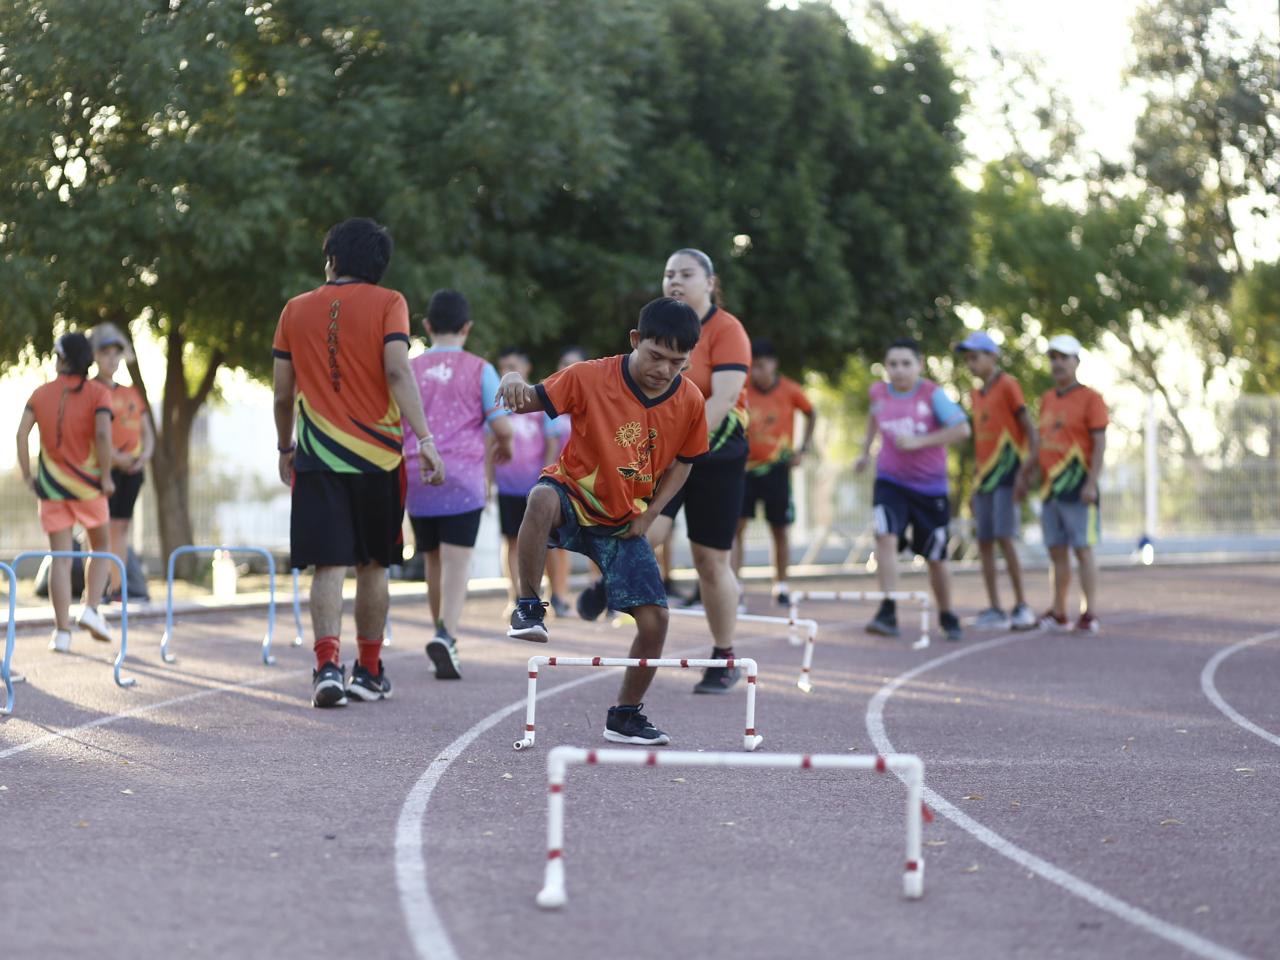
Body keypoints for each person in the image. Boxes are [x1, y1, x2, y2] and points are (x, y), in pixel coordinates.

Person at [500, 298, 708, 744]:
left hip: (623, 520)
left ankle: (625, 715)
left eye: (677, 362)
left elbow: (685, 463)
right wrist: (513, 378)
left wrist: (651, 514)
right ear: (635, 341)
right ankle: (529, 607)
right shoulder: (588, 376)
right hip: (572, 495)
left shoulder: (690, 401)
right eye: (655, 356)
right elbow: (526, 400)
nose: (663, 369)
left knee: (655, 623)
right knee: (539, 499)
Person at [273, 217, 444, 708]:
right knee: (374, 565)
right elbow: (396, 369)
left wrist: (285, 447)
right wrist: (426, 438)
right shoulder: (391, 303)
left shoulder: (294, 310)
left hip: (318, 457)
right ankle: (369, 671)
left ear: (331, 259)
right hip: (380, 459)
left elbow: (283, 394)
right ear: (379, 265)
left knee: (327, 565)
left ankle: (327, 666)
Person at [579, 248, 750, 695]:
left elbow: (723, 399)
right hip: (665, 453)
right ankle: (608, 581)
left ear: (710, 283)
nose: (675, 281)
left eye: (687, 274)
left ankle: (724, 655)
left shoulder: (727, 330)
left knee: (709, 560)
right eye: (669, 274)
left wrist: (680, 445)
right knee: (644, 531)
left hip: (717, 455)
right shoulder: (658, 328)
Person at [404, 289, 513, 679]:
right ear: (467, 327)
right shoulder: (480, 369)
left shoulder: (409, 369)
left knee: (432, 558)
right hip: (463, 475)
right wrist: (506, 445)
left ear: (427, 326)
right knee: (457, 562)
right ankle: (446, 634)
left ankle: (441, 632)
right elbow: (500, 423)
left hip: (417, 473)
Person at [855, 337, 970, 643]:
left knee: (935, 555)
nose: (899, 370)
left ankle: (947, 614)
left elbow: (962, 429)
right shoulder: (878, 392)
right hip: (890, 481)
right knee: (885, 535)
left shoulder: (932, 395)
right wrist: (865, 453)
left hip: (929, 489)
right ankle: (888, 609)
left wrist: (920, 441)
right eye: (893, 364)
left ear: (919, 365)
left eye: (906, 363)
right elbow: (873, 419)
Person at [15, 332, 117, 651]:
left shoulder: (40, 394)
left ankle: (61, 633)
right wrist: (107, 476)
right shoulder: (99, 393)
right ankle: (91, 608)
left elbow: (21, 434)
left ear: (61, 358)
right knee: (99, 546)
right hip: (89, 487)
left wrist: (28, 474)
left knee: (60, 558)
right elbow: (102, 434)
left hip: (51, 488)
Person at [956, 331, 1038, 631]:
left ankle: (1022, 605)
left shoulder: (1008, 385)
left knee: (1006, 538)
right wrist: (973, 486)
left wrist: (1024, 472)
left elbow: (1031, 430)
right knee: (985, 542)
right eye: (968, 359)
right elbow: (981, 444)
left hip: (1007, 477)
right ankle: (994, 608)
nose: (971, 363)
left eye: (976, 357)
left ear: (993, 357)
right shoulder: (976, 395)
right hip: (985, 481)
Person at [1033, 334, 1108, 633]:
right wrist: (1029, 474)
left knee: (1083, 550)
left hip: (1079, 489)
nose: (1058, 363)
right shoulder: (1048, 399)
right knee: (1056, 551)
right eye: (1053, 357)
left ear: (1077, 361)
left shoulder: (1092, 399)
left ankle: (1089, 612)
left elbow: (1100, 444)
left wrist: (1092, 482)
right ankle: (1059, 611)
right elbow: (1042, 442)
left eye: (1064, 357)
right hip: (1050, 489)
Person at [733, 338, 816, 606]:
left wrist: (803, 449)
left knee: (779, 529)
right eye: (752, 366)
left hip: (777, 470)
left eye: (760, 365)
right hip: (743, 469)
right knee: (737, 528)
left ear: (773, 364)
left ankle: (781, 585)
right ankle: (734, 586)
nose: (756, 371)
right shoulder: (740, 387)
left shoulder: (791, 389)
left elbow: (811, 413)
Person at [492, 346, 562, 611]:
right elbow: (490, 442)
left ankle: (551, 595)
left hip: (538, 488)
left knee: (544, 541)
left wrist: (546, 476)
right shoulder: (499, 405)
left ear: (526, 367)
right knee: (511, 541)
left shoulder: (540, 401)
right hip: (508, 486)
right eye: (503, 366)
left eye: (513, 365)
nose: (507, 371)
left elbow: (552, 441)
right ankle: (516, 596)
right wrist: (488, 482)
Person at [90, 323, 154, 603]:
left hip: (132, 472)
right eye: (106, 353)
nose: (112, 360)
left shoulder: (131, 393)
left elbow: (147, 431)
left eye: (116, 354)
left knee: (121, 528)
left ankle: (117, 588)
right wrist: (114, 458)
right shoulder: (90, 390)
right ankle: (96, 588)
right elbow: (91, 435)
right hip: (103, 471)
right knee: (99, 530)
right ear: (95, 355)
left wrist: (142, 457)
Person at [543, 346, 587, 608]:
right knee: (555, 542)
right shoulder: (553, 407)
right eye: (564, 363)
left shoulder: (594, 403)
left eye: (574, 364)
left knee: (594, 540)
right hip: (561, 484)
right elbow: (549, 450)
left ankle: (599, 592)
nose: (568, 369)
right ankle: (557, 595)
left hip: (589, 486)